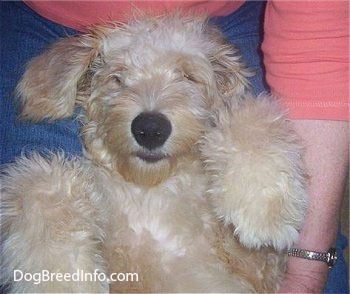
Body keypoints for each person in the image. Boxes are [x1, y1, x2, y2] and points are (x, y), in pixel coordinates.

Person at [1, 1, 348, 293]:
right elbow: (40, 100)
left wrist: (307, 266)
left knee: (303, 225)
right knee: (34, 194)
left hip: (230, 11)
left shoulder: (233, 116)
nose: (151, 109)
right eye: (118, 78)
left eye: (186, 77)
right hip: (47, 16)